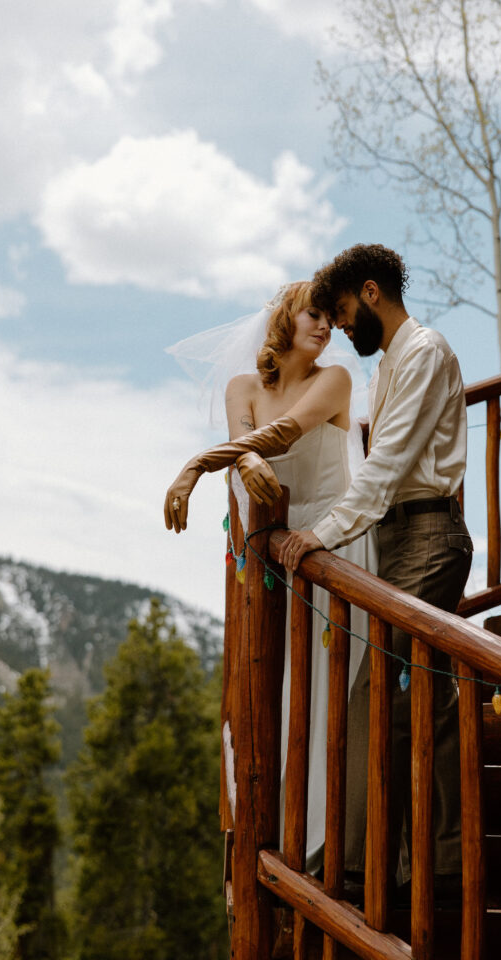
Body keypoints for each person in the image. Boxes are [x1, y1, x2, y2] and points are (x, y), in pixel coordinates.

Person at [277, 244, 473, 902]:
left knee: (373, 696)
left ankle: (359, 866)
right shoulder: (390, 363)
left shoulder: (423, 353)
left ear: (369, 293)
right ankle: (440, 860)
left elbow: (386, 468)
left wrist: (319, 535)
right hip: (395, 539)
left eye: (340, 314)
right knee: (428, 695)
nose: (339, 330)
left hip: (427, 534)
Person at [164, 281, 377, 874]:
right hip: (272, 559)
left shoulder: (334, 380)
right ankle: (276, 832)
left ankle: (328, 847)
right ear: (284, 318)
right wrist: (240, 456)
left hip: (332, 549)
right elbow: (246, 441)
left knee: (329, 689)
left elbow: (281, 435)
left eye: (331, 320)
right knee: (274, 684)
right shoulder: (242, 387)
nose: (326, 327)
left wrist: (198, 465)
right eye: (315, 314)